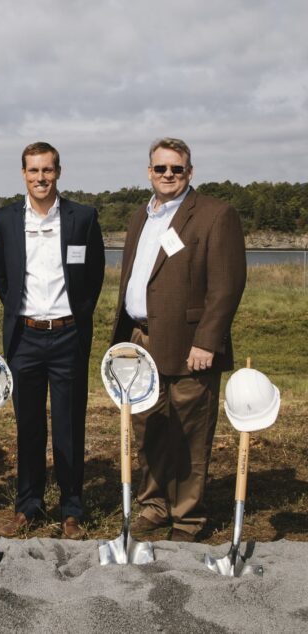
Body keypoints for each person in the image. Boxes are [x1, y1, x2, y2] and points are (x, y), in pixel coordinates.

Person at [111, 137, 246, 542]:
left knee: (189, 431)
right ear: (148, 171)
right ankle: (154, 506)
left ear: (190, 171)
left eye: (176, 169)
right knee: (148, 428)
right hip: (140, 340)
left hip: (190, 345)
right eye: (160, 168)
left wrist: (207, 341)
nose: (168, 175)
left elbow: (227, 285)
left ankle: (188, 518)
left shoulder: (215, 215)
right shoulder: (141, 216)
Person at [0, 142, 105, 539]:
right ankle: (28, 506)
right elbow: (2, 278)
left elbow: (94, 276)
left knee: (69, 426)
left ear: (59, 171)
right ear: (23, 173)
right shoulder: (6, 219)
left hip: (68, 335)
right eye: (34, 171)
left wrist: (75, 317)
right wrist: (24, 316)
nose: (41, 178)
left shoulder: (83, 217)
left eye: (48, 170)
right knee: (29, 427)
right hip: (25, 337)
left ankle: (71, 510)